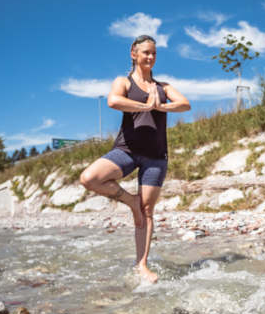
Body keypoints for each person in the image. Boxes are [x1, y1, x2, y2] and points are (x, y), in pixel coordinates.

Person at [80, 35, 190, 283]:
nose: (150, 57)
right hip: (126, 150)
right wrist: (146, 106)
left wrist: (160, 106)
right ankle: (130, 202)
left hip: (156, 156)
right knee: (89, 178)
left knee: (147, 211)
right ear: (134, 54)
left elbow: (185, 104)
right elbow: (113, 101)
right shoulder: (124, 82)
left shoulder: (163, 87)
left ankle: (142, 265)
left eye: (153, 53)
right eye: (145, 53)